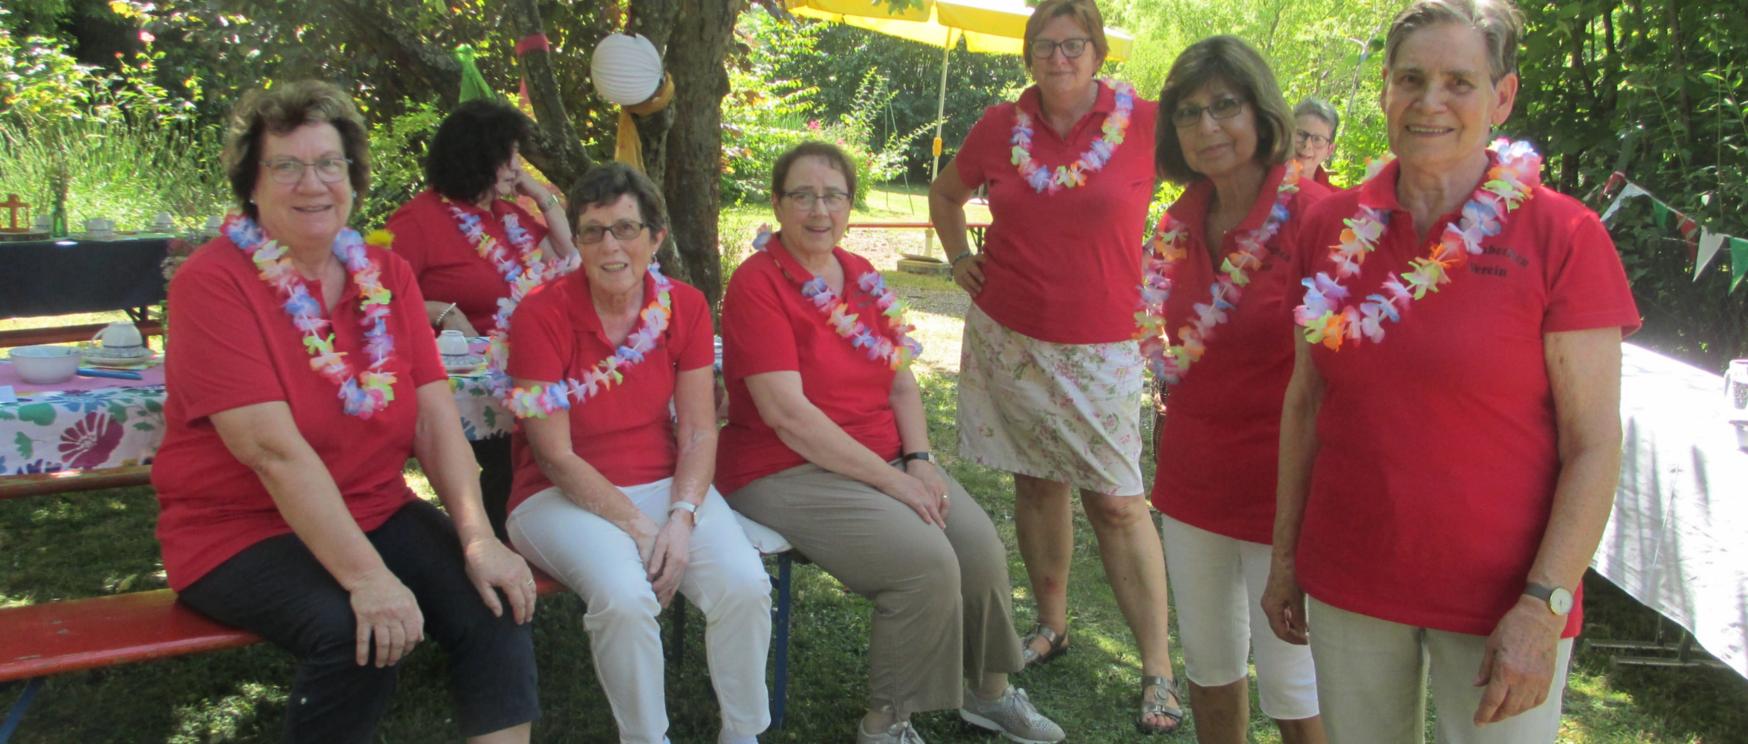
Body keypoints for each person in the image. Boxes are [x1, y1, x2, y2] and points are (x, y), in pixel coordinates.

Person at [1260, 1, 1640, 742]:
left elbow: (1595, 443)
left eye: (1459, 82)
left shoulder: (1564, 234)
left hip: (1505, 602)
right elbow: (1305, 401)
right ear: (1385, 90)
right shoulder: (1329, 226)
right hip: (1352, 575)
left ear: (1503, 96)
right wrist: (1283, 559)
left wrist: (1544, 605)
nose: (1429, 101)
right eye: (1411, 78)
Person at [150, 80, 538, 744]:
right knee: (357, 630)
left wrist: (479, 539)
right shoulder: (211, 283)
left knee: (495, 602)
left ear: (353, 177)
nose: (313, 184)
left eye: (329, 163)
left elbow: (434, 419)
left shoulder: (386, 274)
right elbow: (271, 451)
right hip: (239, 532)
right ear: (252, 184)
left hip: (375, 506)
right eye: (287, 166)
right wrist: (368, 579)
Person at [721, 141, 1064, 744]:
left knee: (978, 547)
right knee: (923, 564)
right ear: (777, 204)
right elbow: (788, 417)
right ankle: (885, 725)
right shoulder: (757, 284)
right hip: (784, 468)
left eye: (833, 196)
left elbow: (901, 383)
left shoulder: (863, 275)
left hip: (884, 458)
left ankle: (988, 694)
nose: (819, 210)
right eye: (803, 196)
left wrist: (920, 462)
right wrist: (894, 483)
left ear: (850, 205)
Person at [927, 0, 1180, 733]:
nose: (1059, 57)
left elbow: (1214, 182)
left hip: (1104, 344)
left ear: (1098, 52)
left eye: (1073, 45)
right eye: (1044, 44)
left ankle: (1158, 668)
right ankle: (1052, 624)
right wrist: (960, 257)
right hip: (1011, 335)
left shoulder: (1147, 123)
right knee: (1036, 482)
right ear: (1029, 55)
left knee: (1118, 502)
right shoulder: (1000, 126)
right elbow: (946, 194)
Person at [500, 162, 771, 744]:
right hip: (555, 495)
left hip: (663, 482)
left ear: (655, 237)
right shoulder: (539, 314)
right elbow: (554, 455)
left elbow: (698, 431)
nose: (610, 246)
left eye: (626, 228)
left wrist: (682, 517)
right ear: (576, 240)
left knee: (745, 584)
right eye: (593, 231)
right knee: (624, 598)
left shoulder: (686, 307)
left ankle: (743, 734)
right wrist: (642, 530)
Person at [1141, 36, 1332, 744]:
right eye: (1189, 113)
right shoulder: (1176, 224)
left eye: (1225, 106)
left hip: (1286, 492)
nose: (1208, 126)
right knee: (1210, 667)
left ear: (1262, 113)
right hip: (1194, 483)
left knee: (1295, 689)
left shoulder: (1317, 216)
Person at [383, 99, 576, 539]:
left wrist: (541, 196)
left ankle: (545, 539)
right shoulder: (417, 220)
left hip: (528, 365)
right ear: (477, 157)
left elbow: (570, 262)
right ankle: (499, 547)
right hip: (464, 379)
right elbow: (377, 301)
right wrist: (443, 312)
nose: (517, 166)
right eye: (509, 156)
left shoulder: (508, 216)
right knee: (512, 460)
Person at [1292, 97, 1340, 188]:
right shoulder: (1263, 179)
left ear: (1330, 150)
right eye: (1300, 134)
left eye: (1317, 139)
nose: (1307, 145)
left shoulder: (1334, 196)